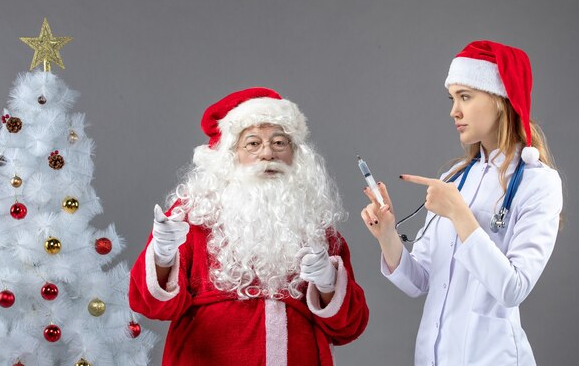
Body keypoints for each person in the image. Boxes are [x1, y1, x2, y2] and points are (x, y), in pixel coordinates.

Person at [130, 87, 368, 366]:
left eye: (279, 142)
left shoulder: (315, 225)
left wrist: (328, 283)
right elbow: (151, 305)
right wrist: (162, 256)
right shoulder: (193, 214)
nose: (267, 153)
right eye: (253, 143)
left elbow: (349, 327)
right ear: (230, 155)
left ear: (295, 154)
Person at [361, 40, 563, 366]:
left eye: (465, 97)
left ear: (500, 100)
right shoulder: (454, 177)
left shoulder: (539, 183)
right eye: (453, 98)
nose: (454, 111)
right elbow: (421, 280)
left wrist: (458, 213)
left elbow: (513, 289)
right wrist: (386, 236)